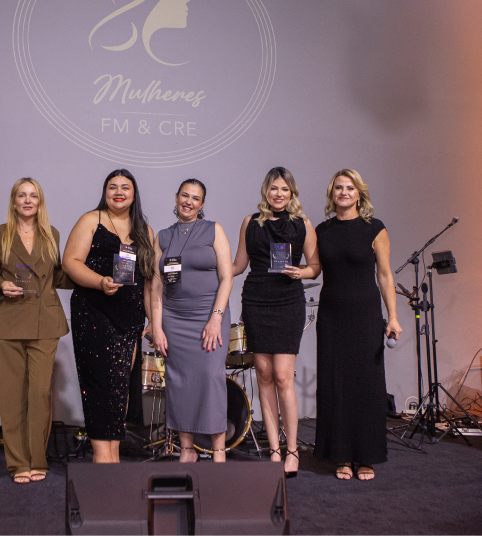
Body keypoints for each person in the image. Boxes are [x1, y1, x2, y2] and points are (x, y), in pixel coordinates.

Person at [313, 169, 401, 481]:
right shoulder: (321, 230)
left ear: (359, 194)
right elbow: (314, 270)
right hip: (331, 317)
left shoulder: (375, 228)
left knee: (366, 385)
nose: (344, 192)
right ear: (332, 193)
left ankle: (366, 456)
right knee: (335, 384)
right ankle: (341, 456)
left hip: (365, 316)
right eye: (338, 187)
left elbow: (385, 275)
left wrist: (393, 316)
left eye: (350, 188)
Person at [63, 169, 156, 463]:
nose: (119, 192)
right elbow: (70, 262)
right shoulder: (91, 220)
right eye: (112, 187)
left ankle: (112, 455)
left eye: (125, 187)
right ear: (105, 192)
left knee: (119, 389)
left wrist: (152, 320)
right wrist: (100, 282)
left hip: (129, 320)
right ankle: (102, 458)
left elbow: (148, 282)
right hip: (94, 313)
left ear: (134, 193)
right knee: (100, 387)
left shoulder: (144, 231)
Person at [233, 167, 319, 478]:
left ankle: (292, 449)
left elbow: (315, 266)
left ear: (291, 192)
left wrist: (301, 272)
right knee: (264, 376)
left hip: (287, 302)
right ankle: (273, 449)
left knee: (283, 376)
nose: (278, 194)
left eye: (284, 189)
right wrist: (206, 270)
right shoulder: (250, 223)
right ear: (265, 191)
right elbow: (239, 265)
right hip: (256, 301)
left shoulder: (302, 224)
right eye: (273, 188)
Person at [0, 178, 75, 484]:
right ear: (13, 202)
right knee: (11, 396)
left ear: (40, 202)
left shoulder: (52, 234)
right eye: (22, 195)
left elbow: (59, 275)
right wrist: (1, 285)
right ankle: (18, 463)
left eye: (33, 196)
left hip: (44, 322)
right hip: (9, 321)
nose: (27, 200)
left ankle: (38, 459)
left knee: (40, 393)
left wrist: (91, 273)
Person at [150, 179, 233, 462]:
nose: (189, 201)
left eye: (195, 198)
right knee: (179, 381)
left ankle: (218, 449)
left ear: (202, 204)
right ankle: (187, 449)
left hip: (209, 314)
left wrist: (216, 318)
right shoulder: (163, 236)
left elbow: (227, 277)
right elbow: (156, 285)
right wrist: (157, 327)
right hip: (173, 317)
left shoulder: (213, 230)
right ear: (176, 198)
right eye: (185, 195)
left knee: (210, 378)